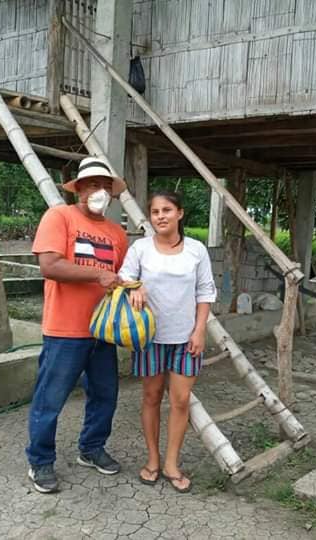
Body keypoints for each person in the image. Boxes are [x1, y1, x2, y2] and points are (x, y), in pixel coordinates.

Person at [26, 157, 129, 494]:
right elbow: (50, 266)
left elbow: (121, 276)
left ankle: (92, 448)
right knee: (50, 399)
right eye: (93, 185)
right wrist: (98, 274)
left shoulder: (117, 233)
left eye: (106, 187)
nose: (101, 192)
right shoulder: (59, 217)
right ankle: (40, 461)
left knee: (105, 395)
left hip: (104, 329)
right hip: (64, 330)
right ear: (79, 188)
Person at [119, 191, 217, 493]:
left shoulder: (197, 250)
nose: (160, 216)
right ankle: (152, 459)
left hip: (186, 339)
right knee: (151, 397)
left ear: (180, 213)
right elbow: (123, 276)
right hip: (150, 337)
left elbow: (205, 292)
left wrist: (200, 330)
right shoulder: (141, 248)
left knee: (180, 400)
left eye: (167, 210)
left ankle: (172, 463)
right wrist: (133, 287)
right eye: (155, 211)